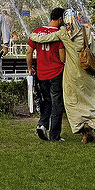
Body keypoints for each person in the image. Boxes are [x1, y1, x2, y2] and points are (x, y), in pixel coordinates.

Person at [29, 16, 95, 142]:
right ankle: (90, 123)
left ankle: (83, 128)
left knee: (72, 101)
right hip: (86, 72)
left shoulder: (63, 34)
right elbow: (94, 53)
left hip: (70, 74)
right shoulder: (86, 32)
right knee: (89, 99)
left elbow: (44, 38)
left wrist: (33, 36)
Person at [27, 8, 66, 142]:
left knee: (46, 101)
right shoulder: (59, 34)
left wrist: (30, 68)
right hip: (56, 73)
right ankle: (54, 136)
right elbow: (62, 58)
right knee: (57, 104)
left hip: (41, 73)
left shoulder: (37, 32)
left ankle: (42, 124)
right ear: (60, 19)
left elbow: (29, 52)